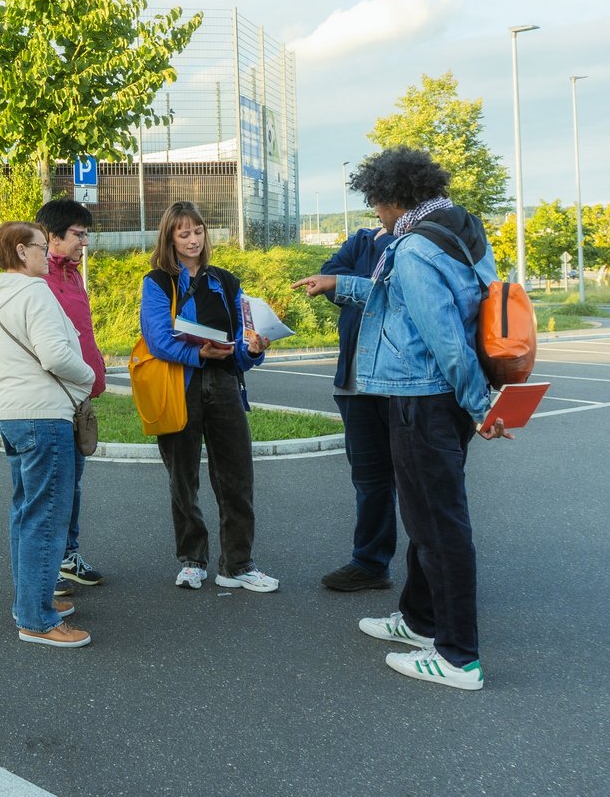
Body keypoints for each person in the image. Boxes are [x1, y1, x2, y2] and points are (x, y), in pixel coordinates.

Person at [293, 147, 511, 690]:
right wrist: (340, 285)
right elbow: (402, 301)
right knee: (426, 519)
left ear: (394, 197)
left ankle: (459, 658)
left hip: (423, 399)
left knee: (440, 528)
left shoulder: (413, 248)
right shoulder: (459, 232)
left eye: (376, 204)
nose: (377, 216)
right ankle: (419, 621)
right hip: (442, 402)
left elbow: (445, 338)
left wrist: (482, 404)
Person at [140, 201, 278, 592]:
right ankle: (192, 559)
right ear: (169, 237)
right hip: (179, 385)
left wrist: (252, 350)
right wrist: (196, 352)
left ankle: (238, 564)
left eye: (198, 231)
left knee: (237, 478)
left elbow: (241, 341)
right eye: (183, 233)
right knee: (183, 478)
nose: (193, 239)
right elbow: (157, 339)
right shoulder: (157, 282)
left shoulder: (226, 281)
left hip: (224, 386)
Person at [0, 221, 95, 648]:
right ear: (20, 251)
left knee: (26, 512)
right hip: (43, 415)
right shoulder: (34, 291)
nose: (48, 254)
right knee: (47, 517)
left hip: (11, 413)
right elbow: (55, 354)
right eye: (41, 247)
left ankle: (31, 601)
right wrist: (87, 378)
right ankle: (38, 620)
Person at [319, 222, 397, 591]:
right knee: (369, 481)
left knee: (415, 483)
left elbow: (395, 295)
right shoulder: (363, 239)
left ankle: (435, 575)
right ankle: (369, 563)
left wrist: (348, 284)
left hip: (395, 381)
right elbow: (328, 275)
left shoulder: (419, 241)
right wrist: (356, 284)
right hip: (353, 381)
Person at [35, 199, 105, 595]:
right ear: (52, 236)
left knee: (74, 482)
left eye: (85, 234)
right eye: (79, 234)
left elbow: (82, 333)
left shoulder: (75, 275)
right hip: (52, 397)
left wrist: (93, 380)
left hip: (79, 394)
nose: (84, 241)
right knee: (53, 487)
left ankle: (67, 555)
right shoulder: (37, 280)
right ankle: (47, 566)